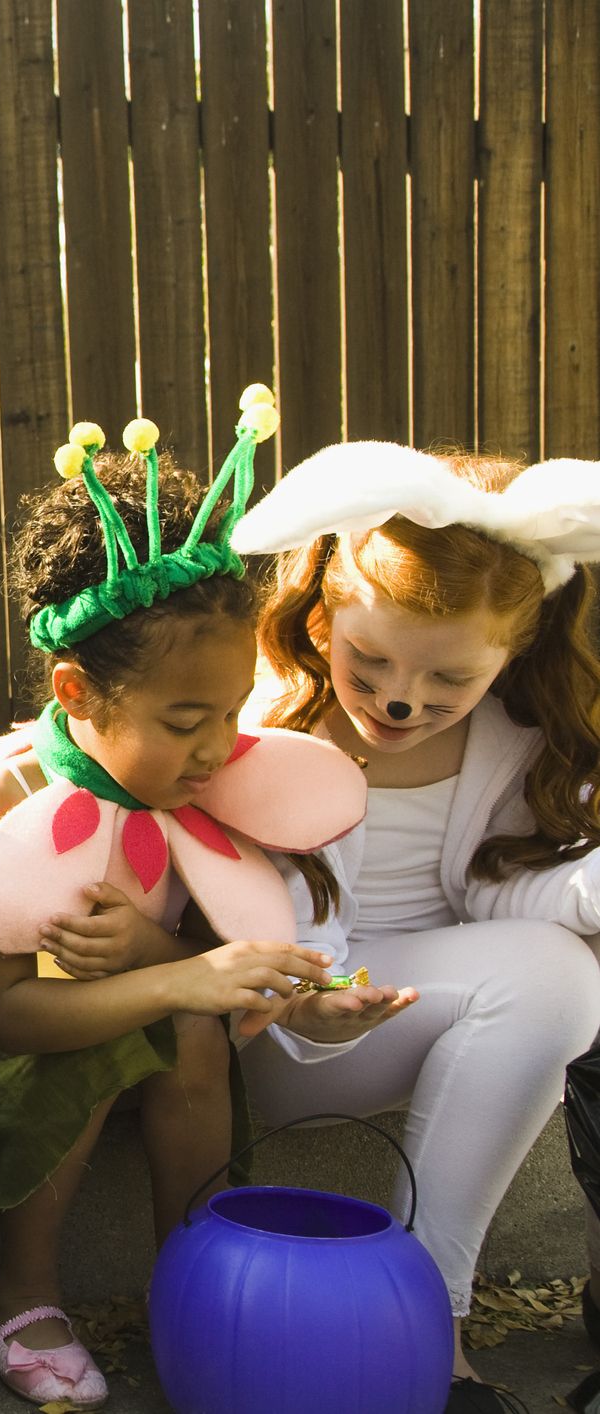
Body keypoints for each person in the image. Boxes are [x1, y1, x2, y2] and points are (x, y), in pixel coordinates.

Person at [0, 396, 415, 1409]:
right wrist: (179, 972)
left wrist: (289, 996)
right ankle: (17, 1287)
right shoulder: (3, 793)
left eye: (231, 711)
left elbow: (213, 947)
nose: (214, 746)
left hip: (164, 1026)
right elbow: (10, 1010)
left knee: (190, 1031)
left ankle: (189, 1280)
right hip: (15, 1045)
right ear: (74, 692)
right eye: (184, 718)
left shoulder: (213, 782)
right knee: (138, 1026)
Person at [232, 441, 600, 1413]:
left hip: (433, 1001)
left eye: (444, 681)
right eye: (369, 659)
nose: (399, 698)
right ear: (320, 616)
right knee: (552, 975)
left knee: (561, 963)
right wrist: (311, 997)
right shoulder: (273, 732)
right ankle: (423, 1325)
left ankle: (422, 1325)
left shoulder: (514, 742)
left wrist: (587, 891)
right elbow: (246, 916)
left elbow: (495, 897)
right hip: (285, 1029)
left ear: (507, 657)